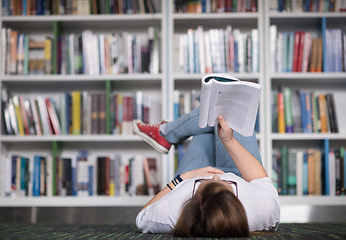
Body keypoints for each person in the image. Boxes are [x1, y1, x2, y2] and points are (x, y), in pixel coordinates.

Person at [133, 107, 280, 238]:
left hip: (190, 176)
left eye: (204, 184)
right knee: (235, 110)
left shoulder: (172, 212)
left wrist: (183, 178)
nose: (215, 176)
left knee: (205, 132)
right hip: (243, 176)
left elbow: (142, 217)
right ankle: (165, 132)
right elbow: (259, 177)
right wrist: (228, 140)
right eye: (223, 185)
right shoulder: (263, 209)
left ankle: (165, 133)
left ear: (190, 200)